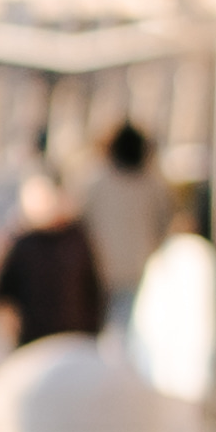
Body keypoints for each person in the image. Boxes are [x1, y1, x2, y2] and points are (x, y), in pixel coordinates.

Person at [0, 161, 107, 345]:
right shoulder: (16, 241)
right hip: (29, 341)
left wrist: (92, 333)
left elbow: (93, 288)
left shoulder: (76, 238)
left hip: (72, 341)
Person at [75, 113, 166, 304]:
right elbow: (163, 221)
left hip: (102, 267)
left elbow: (82, 220)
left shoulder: (96, 181)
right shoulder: (152, 183)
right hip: (139, 265)